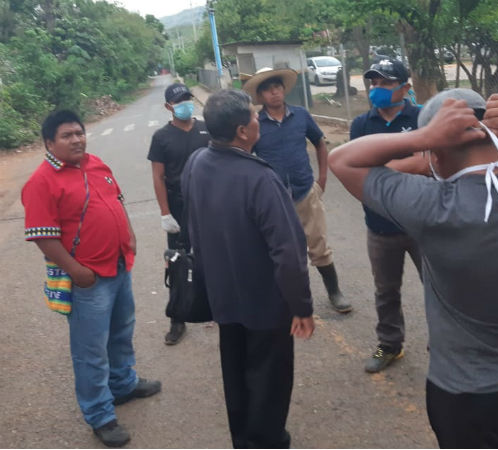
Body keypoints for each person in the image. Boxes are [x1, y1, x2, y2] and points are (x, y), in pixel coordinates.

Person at [329, 88, 498, 448]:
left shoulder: (431, 207)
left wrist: (424, 137)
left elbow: (343, 159)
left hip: (465, 396)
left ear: (435, 153)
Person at [181, 89, 315, 448]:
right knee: (270, 381)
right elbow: (288, 252)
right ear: (243, 131)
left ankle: (243, 439)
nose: (259, 122)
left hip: (224, 297)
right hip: (266, 305)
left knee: (237, 375)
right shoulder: (261, 179)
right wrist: (301, 307)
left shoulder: (196, 162)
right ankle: (268, 440)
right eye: (255, 118)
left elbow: (194, 223)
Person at [22, 110, 161, 447]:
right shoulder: (42, 182)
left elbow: (117, 200)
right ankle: (100, 414)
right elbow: (43, 236)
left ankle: (123, 385)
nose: (77, 140)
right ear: (49, 143)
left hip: (118, 265)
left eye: (79, 133)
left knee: (121, 332)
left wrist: (129, 236)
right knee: (90, 350)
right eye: (67, 136)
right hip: (88, 278)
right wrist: (76, 271)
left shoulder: (96, 164)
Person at [242, 68, 352, 313]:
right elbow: (246, 156)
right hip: (274, 199)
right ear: (260, 95)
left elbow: (320, 144)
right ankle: (284, 298)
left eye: (278, 87)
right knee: (278, 251)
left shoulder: (301, 115)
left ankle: (334, 292)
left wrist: (322, 179)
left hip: (305, 191)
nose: (275, 93)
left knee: (319, 246)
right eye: (269, 89)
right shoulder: (255, 123)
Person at [350, 59, 428, 373]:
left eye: (384, 83)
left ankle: (448, 346)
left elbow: (428, 161)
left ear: (405, 88)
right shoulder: (361, 124)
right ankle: (390, 345)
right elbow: (358, 169)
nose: (376, 89)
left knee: (438, 288)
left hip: (422, 221)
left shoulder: (422, 117)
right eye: (373, 83)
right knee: (386, 291)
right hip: (380, 226)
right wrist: (405, 165)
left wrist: (380, 173)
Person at [147, 82, 210, 345]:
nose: (184, 103)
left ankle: (216, 306)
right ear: (168, 107)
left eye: (187, 98)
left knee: (213, 256)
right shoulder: (161, 138)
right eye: (178, 100)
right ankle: (178, 318)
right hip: (178, 205)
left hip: (208, 203)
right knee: (178, 261)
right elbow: (159, 177)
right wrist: (165, 213)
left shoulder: (207, 129)